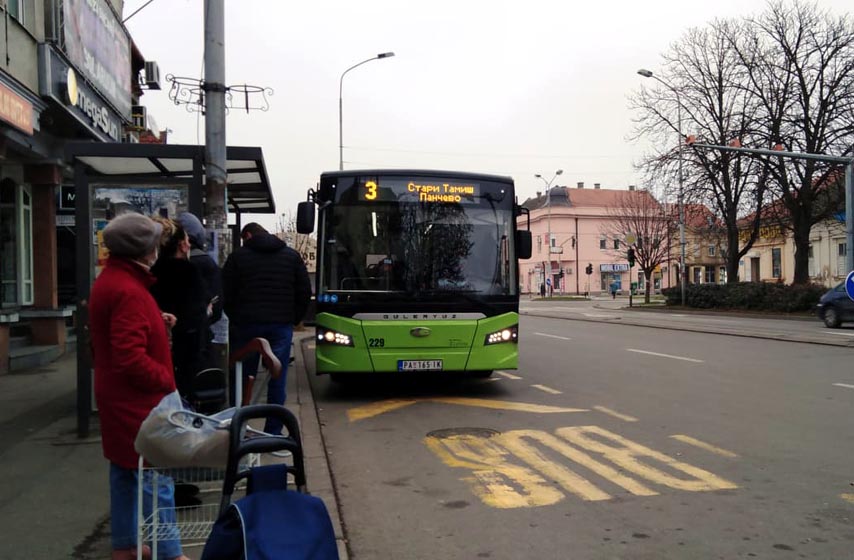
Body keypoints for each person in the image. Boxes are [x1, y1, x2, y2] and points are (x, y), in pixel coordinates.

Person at [88, 213, 189, 560]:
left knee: (124, 471)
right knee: (155, 475)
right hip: (139, 401)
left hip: (116, 395)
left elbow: (116, 335)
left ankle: (127, 546)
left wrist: (157, 322)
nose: (157, 251)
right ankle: (170, 551)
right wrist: (164, 379)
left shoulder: (112, 281)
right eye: (154, 245)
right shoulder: (130, 290)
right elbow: (129, 357)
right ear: (143, 250)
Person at [222, 223, 311, 435]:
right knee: (276, 375)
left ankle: (241, 429)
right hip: (280, 324)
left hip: (246, 325)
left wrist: (236, 317)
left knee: (244, 376)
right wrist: (293, 318)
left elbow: (226, 292)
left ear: (248, 235)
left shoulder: (238, 257)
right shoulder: (291, 256)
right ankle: (273, 432)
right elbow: (304, 291)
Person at [149, 217, 211, 400]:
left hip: (157, 355)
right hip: (186, 354)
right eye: (187, 241)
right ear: (182, 245)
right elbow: (198, 314)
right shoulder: (189, 272)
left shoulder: (151, 272)